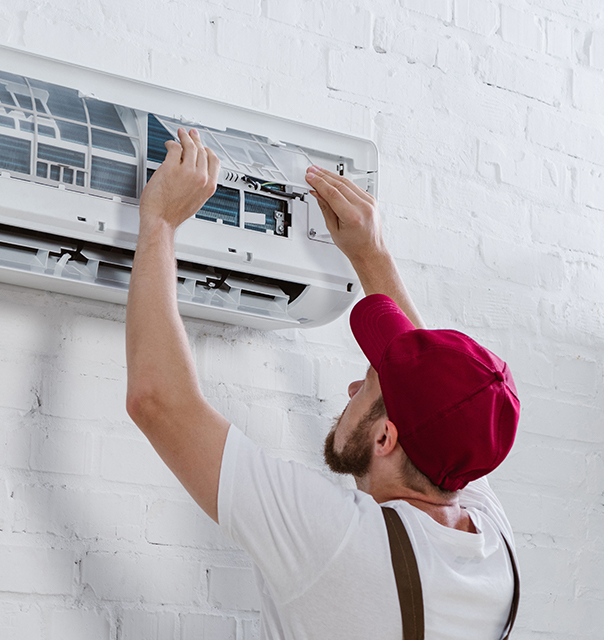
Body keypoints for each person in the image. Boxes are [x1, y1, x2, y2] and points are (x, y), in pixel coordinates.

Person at [125, 128, 521, 639]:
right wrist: (371, 254)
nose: (352, 391)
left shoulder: (340, 543)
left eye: (368, 386)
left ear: (386, 439)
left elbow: (159, 403)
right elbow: (443, 394)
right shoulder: (493, 549)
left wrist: (159, 222)